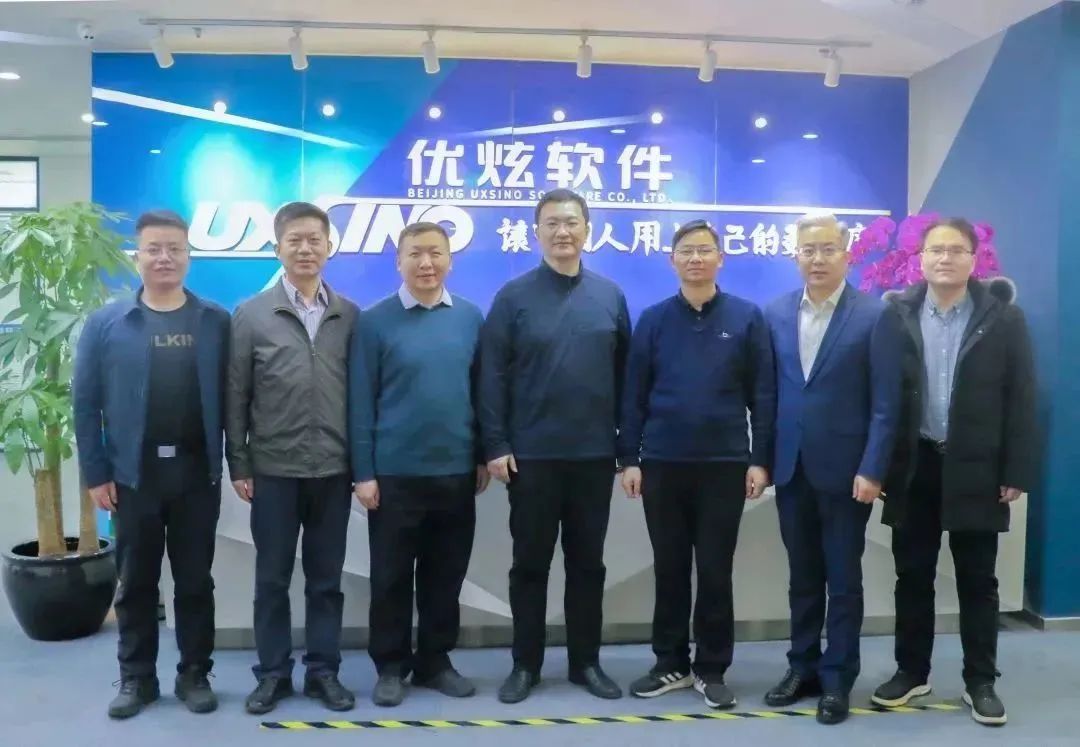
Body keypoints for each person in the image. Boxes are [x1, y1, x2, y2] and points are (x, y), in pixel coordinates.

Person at [870, 218, 1036, 727]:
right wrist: (880, 467)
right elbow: (880, 397)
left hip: (977, 466)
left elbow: (1022, 397)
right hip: (914, 465)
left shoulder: (1003, 318)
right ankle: (911, 672)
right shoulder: (897, 314)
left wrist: (1015, 468)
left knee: (977, 580)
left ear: (973, 258)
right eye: (936, 250)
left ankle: (980, 680)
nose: (945, 258)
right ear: (920, 258)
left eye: (956, 250)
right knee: (912, 575)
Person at [73, 210, 230, 719]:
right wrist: (96, 473)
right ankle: (137, 678)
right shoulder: (107, 324)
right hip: (132, 477)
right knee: (136, 582)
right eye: (154, 249)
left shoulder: (215, 321)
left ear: (189, 256)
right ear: (137, 256)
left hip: (196, 475)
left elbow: (235, 397)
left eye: (174, 249)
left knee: (195, 582)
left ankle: (194, 674)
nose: (165, 258)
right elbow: (85, 404)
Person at [479, 188, 631, 704]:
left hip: (593, 457)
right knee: (530, 565)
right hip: (531, 459)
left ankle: (586, 662)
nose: (562, 231)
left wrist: (627, 450)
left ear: (588, 229)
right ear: (536, 232)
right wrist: (495, 443)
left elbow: (626, 378)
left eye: (571, 222)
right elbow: (491, 376)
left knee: (588, 565)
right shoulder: (513, 297)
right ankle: (526, 664)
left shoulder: (609, 296)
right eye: (551, 223)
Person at [618, 219, 775, 709]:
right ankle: (670, 663)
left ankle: (711, 668)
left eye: (705, 250)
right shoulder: (653, 320)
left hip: (724, 465)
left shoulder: (747, 318)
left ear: (720, 258)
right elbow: (633, 395)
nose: (695, 258)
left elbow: (763, 396)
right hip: (662, 464)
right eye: (686, 251)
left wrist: (760, 460)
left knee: (714, 571)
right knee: (669, 569)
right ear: (672, 260)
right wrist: (629, 459)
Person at [762, 213, 901, 725]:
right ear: (795, 255)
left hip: (848, 474)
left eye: (827, 249)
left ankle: (838, 678)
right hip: (791, 468)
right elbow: (768, 394)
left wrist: (873, 468)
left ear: (846, 255)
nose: (817, 259)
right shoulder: (776, 313)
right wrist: (762, 460)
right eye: (808, 250)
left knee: (843, 580)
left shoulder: (874, 315)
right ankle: (802, 667)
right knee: (802, 577)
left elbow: (886, 402)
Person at [226, 202, 359, 715]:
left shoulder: (348, 315)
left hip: (333, 471)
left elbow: (360, 396)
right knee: (272, 581)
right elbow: (236, 395)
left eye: (314, 240)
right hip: (274, 472)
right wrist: (239, 464)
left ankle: (324, 672)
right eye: (295, 240)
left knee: (326, 582)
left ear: (329, 246)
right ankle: (273, 674)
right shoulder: (251, 314)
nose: (306, 249)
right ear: (278, 248)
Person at [350, 222, 489, 707]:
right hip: (393, 475)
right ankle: (391, 666)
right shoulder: (374, 321)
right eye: (415, 254)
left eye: (435, 253)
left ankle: (435, 660)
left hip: (455, 472)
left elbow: (481, 393)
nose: (426, 263)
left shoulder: (470, 318)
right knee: (390, 577)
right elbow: (360, 400)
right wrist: (363, 472)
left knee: (445, 575)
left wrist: (480, 455)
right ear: (399, 261)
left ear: (450, 259)